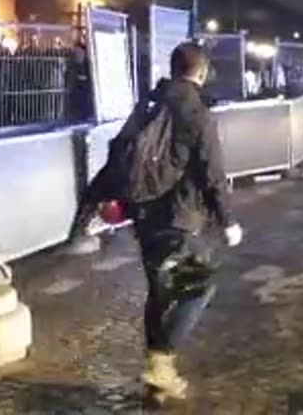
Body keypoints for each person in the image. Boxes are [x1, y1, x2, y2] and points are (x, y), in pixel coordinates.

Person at [71, 42, 241, 402]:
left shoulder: (149, 103)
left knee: (159, 291)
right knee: (197, 287)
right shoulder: (197, 111)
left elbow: (120, 153)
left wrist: (91, 204)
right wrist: (228, 221)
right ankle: (160, 363)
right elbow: (212, 173)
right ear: (201, 72)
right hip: (180, 217)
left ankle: (156, 380)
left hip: (144, 214)